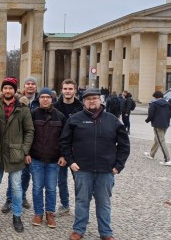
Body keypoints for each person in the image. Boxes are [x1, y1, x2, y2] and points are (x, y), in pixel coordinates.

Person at [60, 88, 130, 240]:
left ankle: (106, 233)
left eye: (94, 98)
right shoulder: (75, 119)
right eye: (88, 99)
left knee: (103, 203)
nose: (91, 101)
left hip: (106, 170)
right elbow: (65, 142)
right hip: (82, 169)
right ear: (84, 101)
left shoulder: (112, 120)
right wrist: (70, 161)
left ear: (100, 100)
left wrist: (119, 165)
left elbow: (124, 145)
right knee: (82, 201)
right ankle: (79, 230)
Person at [0, 77, 34, 233]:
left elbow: (29, 131)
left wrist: (24, 150)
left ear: (15, 91)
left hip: (16, 152)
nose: (8, 91)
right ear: (2, 90)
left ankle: (17, 215)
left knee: (16, 187)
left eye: (10, 88)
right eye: (5, 88)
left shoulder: (23, 108)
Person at [29, 87, 66, 229]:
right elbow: (28, 135)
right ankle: (38, 213)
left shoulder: (60, 116)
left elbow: (64, 138)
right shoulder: (33, 114)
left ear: (52, 99)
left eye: (48, 97)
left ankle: (50, 213)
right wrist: (27, 153)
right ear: (39, 99)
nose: (45, 99)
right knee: (37, 187)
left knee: (51, 188)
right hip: (36, 157)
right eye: (43, 97)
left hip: (54, 158)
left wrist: (63, 155)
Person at [2, 76, 39, 213]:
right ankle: (9, 199)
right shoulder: (17, 101)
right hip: (18, 144)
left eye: (33, 84)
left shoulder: (41, 100)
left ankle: (22, 197)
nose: (30, 86)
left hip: (33, 144)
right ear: (23, 87)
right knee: (15, 174)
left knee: (25, 175)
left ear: (36, 87)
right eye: (28, 83)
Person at [53, 79, 83, 216]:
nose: (68, 91)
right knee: (61, 180)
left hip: (77, 150)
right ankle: (65, 204)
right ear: (61, 90)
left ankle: (80, 208)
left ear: (75, 90)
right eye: (65, 89)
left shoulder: (82, 107)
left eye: (70, 89)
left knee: (80, 181)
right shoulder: (54, 107)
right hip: (59, 150)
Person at [144, 91, 171, 166]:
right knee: (157, 139)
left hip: (157, 125)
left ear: (155, 97)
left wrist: (147, 120)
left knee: (161, 141)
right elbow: (170, 114)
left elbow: (151, 114)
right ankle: (151, 154)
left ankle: (167, 159)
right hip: (166, 124)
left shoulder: (154, 104)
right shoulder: (168, 103)